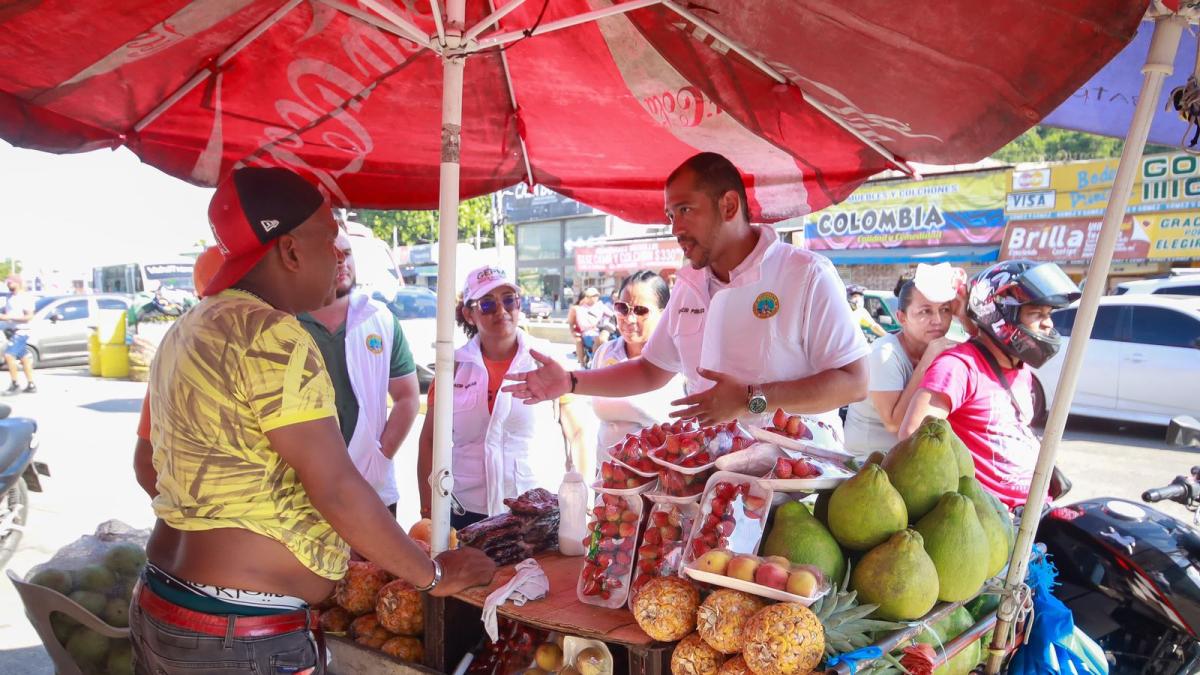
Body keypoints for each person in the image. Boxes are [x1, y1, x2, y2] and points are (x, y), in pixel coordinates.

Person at [133, 167, 493, 674]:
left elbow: (147, 464)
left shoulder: (187, 329)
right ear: (291, 250)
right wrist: (431, 576)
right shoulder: (274, 336)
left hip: (165, 600)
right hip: (239, 632)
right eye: (331, 243)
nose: (339, 259)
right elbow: (338, 488)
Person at [505, 152, 869, 433]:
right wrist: (571, 381)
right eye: (670, 215)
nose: (676, 228)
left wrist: (750, 400)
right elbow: (651, 370)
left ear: (728, 206)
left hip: (796, 486)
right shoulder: (689, 285)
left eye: (685, 210)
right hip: (714, 484)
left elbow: (854, 383)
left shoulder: (805, 275)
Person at [898, 260, 1080, 508]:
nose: (1048, 324)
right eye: (1036, 314)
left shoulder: (1018, 368)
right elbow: (912, 437)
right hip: (992, 521)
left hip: (1038, 509)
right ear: (1001, 316)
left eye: (1048, 315)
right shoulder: (958, 367)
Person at [417, 266, 578, 529]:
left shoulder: (547, 360)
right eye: (488, 304)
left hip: (536, 509)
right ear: (469, 314)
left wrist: (577, 500)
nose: (501, 310)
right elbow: (429, 441)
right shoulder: (452, 366)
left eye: (508, 300)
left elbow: (577, 431)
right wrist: (428, 510)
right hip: (466, 512)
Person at [297, 226, 420, 516]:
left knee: (378, 563)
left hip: (373, 488)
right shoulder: (284, 323)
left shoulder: (380, 319)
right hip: (303, 494)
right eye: (332, 254)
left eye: (347, 253)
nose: (342, 261)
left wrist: (380, 457)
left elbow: (407, 397)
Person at [843, 270, 958, 456]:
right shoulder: (885, 354)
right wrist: (926, 362)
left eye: (945, 310)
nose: (937, 320)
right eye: (925, 311)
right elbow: (893, 423)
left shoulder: (939, 349)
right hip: (867, 465)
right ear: (902, 317)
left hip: (908, 459)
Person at [589, 270, 686, 456]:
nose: (629, 318)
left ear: (665, 313)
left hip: (661, 478)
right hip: (609, 475)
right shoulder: (604, 353)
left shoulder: (679, 359)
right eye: (622, 308)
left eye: (640, 310)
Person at [0, 274, 37, 395]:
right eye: (7, 282)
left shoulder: (25, 297)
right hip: (12, 331)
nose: (8, 285)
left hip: (22, 331)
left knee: (9, 355)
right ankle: (31, 384)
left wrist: (8, 317)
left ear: (18, 283)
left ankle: (15, 384)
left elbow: (29, 316)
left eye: (10, 282)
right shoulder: (10, 297)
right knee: (24, 358)